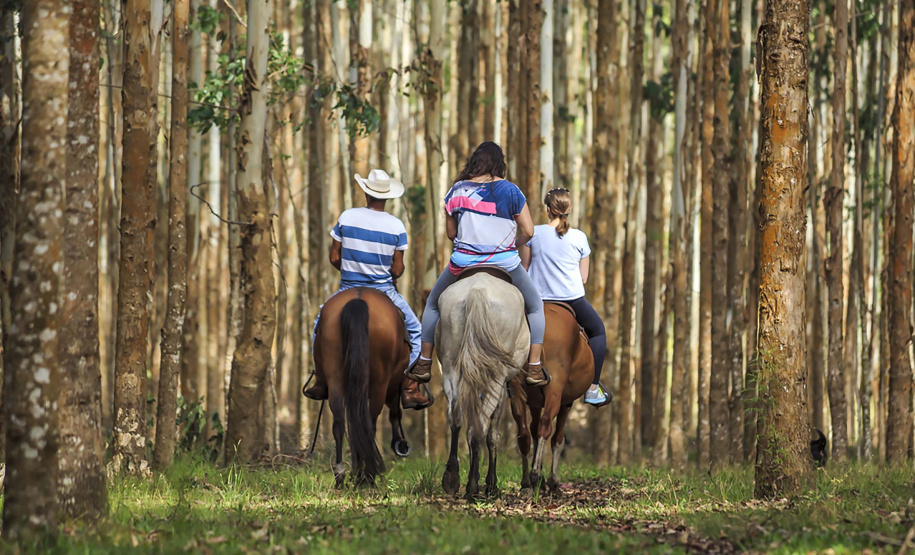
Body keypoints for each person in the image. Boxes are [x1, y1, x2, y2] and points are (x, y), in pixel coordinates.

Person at [404, 142, 549, 386]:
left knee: (432, 304)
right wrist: (514, 242)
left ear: (475, 162)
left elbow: (451, 234)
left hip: (463, 261)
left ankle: (424, 360)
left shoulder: (457, 190)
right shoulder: (511, 190)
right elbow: (529, 230)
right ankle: (534, 367)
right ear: (499, 164)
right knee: (535, 306)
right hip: (505, 262)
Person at [304, 169, 431, 410]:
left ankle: (321, 379)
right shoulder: (396, 226)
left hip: (347, 287)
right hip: (384, 290)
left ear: (366, 193)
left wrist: (350, 269)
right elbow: (398, 267)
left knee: (319, 323)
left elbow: (333, 257)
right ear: (387, 197)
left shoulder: (347, 217)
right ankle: (410, 387)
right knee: (417, 332)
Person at [520, 188, 610, 406]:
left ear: (548, 209)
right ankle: (593, 388)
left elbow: (524, 268)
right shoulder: (580, 237)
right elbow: (584, 277)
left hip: (537, 301)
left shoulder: (534, 233)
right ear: (568, 210)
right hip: (572, 300)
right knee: (598, 331)